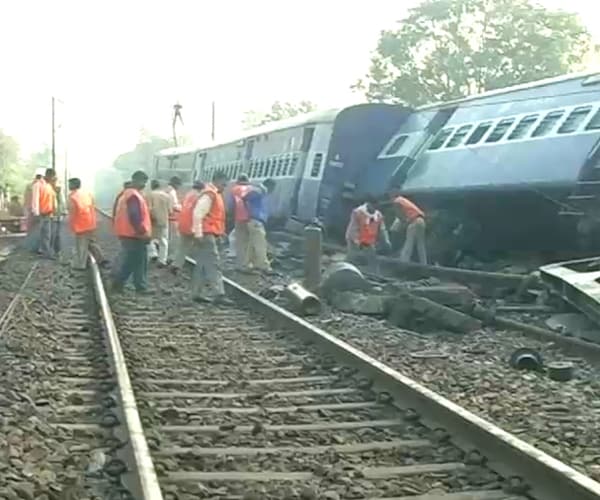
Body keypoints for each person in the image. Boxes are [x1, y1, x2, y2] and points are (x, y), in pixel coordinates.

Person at [178, 171, 231, 304]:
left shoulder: (213, 194)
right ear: (217, 180)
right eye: (223, 184)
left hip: (209, 233)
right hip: (206, 235)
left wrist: (220, 232)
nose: (224, 187)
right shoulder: (210, 194)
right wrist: (198, 234)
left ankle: (196, 293)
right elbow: (197, 214)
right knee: (214, 263)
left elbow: (214, 216)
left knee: (201, 265)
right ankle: (219, 293)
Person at [112, 171, 152, 293]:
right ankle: (137, 286)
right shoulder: (133, 196)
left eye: (145, 182)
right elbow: (134, 215)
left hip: (127, 233)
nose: (144, 184)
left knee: (133, 260)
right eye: (142, 181)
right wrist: (141, 231)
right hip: (134, 234)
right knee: (137, 261)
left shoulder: (126, 194)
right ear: (135, 180)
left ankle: (123, 284)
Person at [67, 177, 108, 269]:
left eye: (70, 184)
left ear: (73, 185)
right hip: (90, 222)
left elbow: (72, 212)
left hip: (80, 224)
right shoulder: (87, 194)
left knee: (81, 246)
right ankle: (101, 259)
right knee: (91, 242)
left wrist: (71, 226)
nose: (69, 186)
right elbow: (92, 208)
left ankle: (80, 265)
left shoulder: (72, 197)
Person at [345, 197, 387, 272]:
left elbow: (382, 229)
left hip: (368, 241)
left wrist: (386, 241)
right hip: (354, 239)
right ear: (368, 204)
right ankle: (346, 271)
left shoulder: (378, 215)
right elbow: (353, 229)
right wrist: (357, 241)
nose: (375, 208)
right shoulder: (358, 212)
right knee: (352, 258)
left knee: (372, 259)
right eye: (373, 205)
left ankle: (375, 274)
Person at [243, 178, 276, 272]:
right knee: (260, 244)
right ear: (270, 186)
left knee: (252, 245)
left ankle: (247, 264)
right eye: (273, 188)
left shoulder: (260, 192)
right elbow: (246, 198)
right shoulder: (259, 191)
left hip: (255, 221)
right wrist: (251, 212)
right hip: (256, 221)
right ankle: (264, 265)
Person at [389, 188, 427, 264]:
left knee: (409, 243)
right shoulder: (403, 200)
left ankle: (403, 263)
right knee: (420, 244)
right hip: (421, 220)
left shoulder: (397, 201)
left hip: (414, 221)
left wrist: (401, 226)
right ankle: (424, 264)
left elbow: (400, 216)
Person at [146, 180, 171, 267]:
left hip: (152, 221)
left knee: (149, 239)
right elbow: (170, 210)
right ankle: (162, 260)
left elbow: (148, 208)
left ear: (152, 186)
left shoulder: (149, 195)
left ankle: (153, 254)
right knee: (163, 241)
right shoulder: (166, 196)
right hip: (164, 221)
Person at [229, 174, 251, 270]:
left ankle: (240, 262)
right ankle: (247, 262)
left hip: (239, 217)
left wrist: (232, 215)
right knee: (247, 240)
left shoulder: (234, 189)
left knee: (238, 240)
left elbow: (232, 205)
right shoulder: (251, 189)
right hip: (251, 218)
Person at [36, 168, 58, 259]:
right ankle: (44, 251)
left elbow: (53, 200)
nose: (54, 178)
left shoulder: (49, 186)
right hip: (41, 213)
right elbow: (35, 200)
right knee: (42, 233)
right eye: (53, 177)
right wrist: (36, 212)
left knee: (47, 234)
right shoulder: (39, 185)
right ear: (49, 176)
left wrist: (54, 211)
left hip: (48, 213)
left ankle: (45, 251)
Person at [23, 170, 44, 251]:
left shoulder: (29, 185)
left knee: (31, 227)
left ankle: (30, 245)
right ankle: (37, 246)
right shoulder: (40, 185)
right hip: (37, 210)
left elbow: (26, 198)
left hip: (29, 209)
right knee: (38, 228)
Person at [165, 176, 182, 264]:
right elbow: (174, 205)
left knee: (167, 238)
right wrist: (182, 208)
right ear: (176, 184)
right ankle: (170, 257)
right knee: (175, 239)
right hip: (172, 218)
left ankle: (165, 255)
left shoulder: (166, 190)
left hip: (166, 217)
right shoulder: (172, 192)